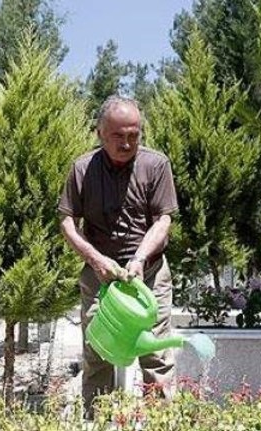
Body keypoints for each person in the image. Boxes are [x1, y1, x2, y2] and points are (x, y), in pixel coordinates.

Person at [58, 95, 178, 412]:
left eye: (133, 136)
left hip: (148, 275)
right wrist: (95, 259)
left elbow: (163, 220)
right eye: (118, 136)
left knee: (155, 353)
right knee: (98, 351)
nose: (127, 144)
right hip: (100, 276)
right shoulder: (82, 169)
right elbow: (68, 222)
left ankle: (161, 428)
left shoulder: (156, 165)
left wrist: (139, 258)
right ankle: (97, 426)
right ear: (100, 133)